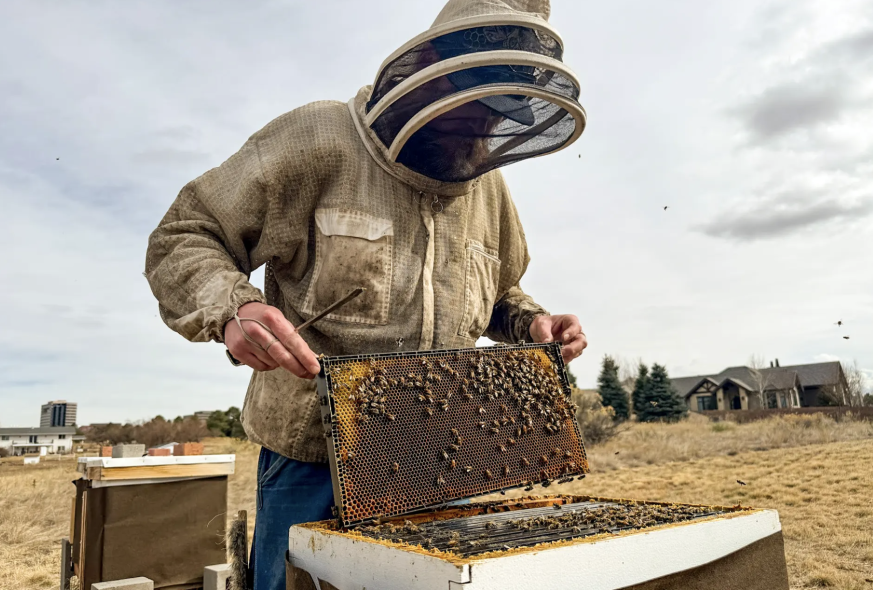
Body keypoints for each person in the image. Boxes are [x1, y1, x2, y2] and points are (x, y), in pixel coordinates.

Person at [145, 0, 587, 588]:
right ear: (429, 72)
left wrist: (532, 323)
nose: (477, 136)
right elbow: (186, 234)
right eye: (468, 115)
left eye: (491, 121)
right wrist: (233, 309)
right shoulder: (318, 138)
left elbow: (500, 287)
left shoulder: (487, 186)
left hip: (447, 453)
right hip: (312, 458)